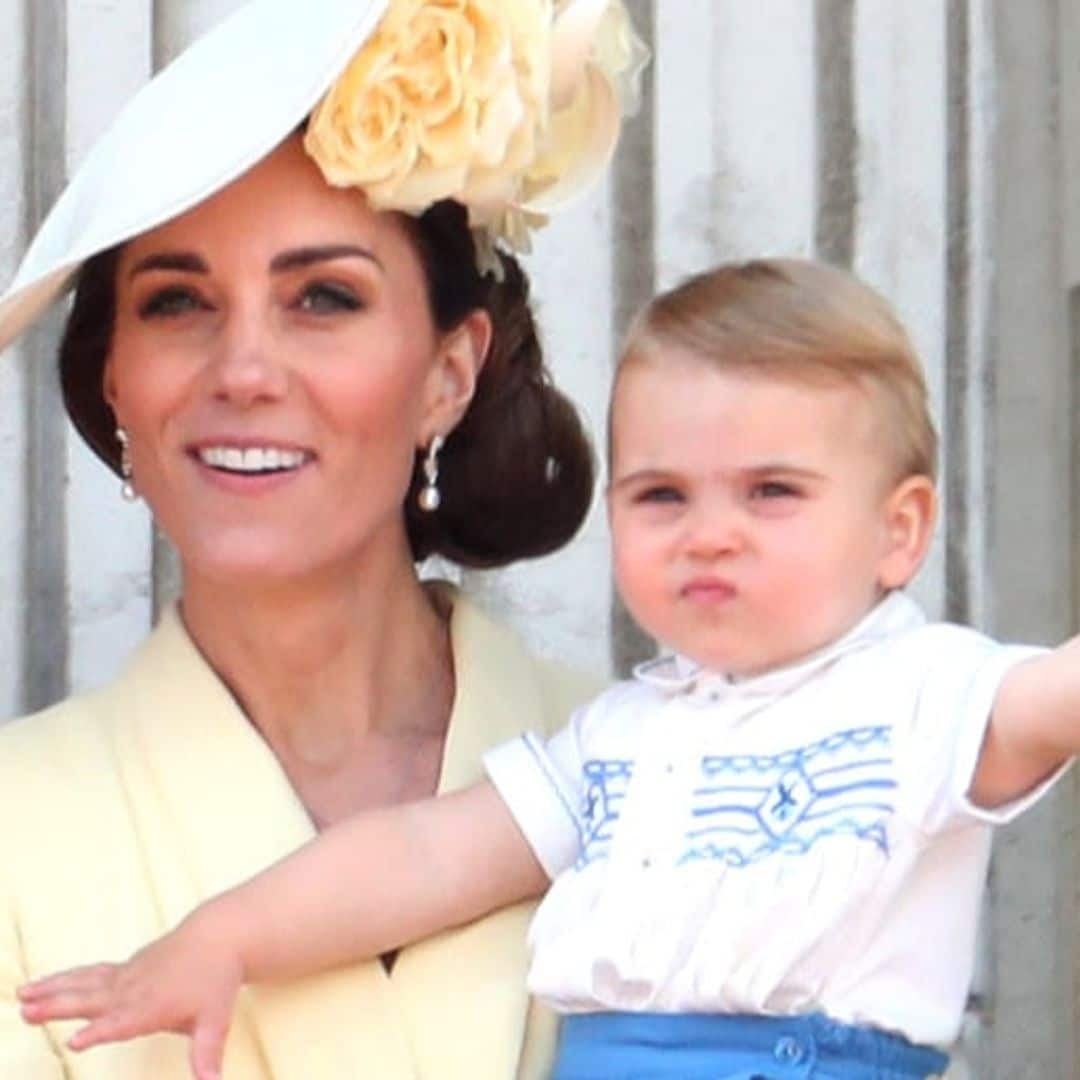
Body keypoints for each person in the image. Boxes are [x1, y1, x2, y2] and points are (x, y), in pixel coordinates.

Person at [20, 257, 1079, 1080]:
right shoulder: (617, 741)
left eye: (771, 493)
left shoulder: (927, 697)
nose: (709, 534)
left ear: (901, 533)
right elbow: (425, 860)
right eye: (663, 496)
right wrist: (227, 938)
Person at [0, 1, 649, 1077]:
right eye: (174, 303)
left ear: (451, 372)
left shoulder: (656, 764)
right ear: (117, 378)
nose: (242, 371)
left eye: (323, 297)